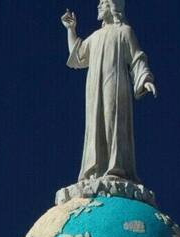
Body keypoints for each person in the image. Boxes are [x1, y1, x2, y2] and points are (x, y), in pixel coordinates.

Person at [62, 0, 157, 183]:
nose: (98, 6)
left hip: (115, 84)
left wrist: (145, 79)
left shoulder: (124, 32)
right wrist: (71, 30)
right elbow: (78, 56)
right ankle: (95, 169)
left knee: (112, 120)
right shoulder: (96, 36)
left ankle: (116, 167)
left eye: (103, 3)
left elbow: (137, 58)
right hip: (94, 87)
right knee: (95, 123)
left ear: (113, 7)